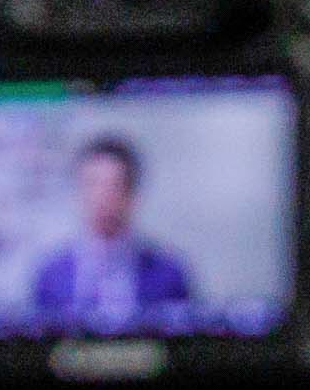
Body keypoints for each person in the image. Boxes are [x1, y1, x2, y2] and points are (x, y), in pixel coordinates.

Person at [28, 134, 205, 330]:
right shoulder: (51, 276)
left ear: (132, 195)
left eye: (114, 186)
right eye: (92, 184)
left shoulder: (168, 275)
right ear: (77, 191)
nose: (102, 197)